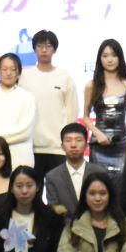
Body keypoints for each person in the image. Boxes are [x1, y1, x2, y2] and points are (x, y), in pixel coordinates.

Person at [17, 30, 78, 164]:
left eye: (48, 46)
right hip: (28, 146)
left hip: (58, 148)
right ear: (34, 49)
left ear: (54, 50)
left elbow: (72, 111)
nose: (44, 50)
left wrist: (67, 140)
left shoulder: (64, 76)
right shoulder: (24, 76)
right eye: (39, 46)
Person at [0, 54, 39, 169]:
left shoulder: (28, 98)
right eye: (4, 69)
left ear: (19, 73)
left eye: (13, 69)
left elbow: (25, 131)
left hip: (21, 158)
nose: (8, 73)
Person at [82, 39, 126, 175]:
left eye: (113, 55)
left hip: (122, 143)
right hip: (99, 143)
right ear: (99, 59)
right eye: (105, 56)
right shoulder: (92, 86)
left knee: (122, 183)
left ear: (120, 58)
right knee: (98, 183)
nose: (110, 60)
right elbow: (86, 117)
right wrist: (98, 133)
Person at [43, 123, 95, 219]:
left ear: (87, 145)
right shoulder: (52, 176)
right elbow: (54, 208)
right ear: (62, 146)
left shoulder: (99, 173)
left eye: (78, 140)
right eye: (68, 140)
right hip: (64, 226)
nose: (73, 145)